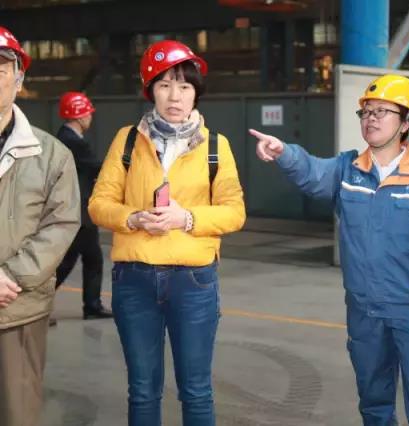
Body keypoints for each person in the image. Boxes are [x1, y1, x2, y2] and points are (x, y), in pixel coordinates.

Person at [251, 74, 409, 426]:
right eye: (366, 112)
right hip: (364, 310)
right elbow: (313, 173)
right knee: (374, 403)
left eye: (382, 111)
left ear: (407, 121)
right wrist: (285, 153)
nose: (371, 119)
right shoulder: (348, 169)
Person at [88, 40, 246, 425]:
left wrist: (185, 219)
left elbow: (234, 212)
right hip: (134, 279)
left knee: (196, 390)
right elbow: (98, 204)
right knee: (143, 389)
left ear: (196, 93)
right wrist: (134, 218)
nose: (175, 96)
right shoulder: (128, 140)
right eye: (164, 85)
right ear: (150, 90)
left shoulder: (216, 147)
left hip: (193, 282)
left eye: (184, 86)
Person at [0, 26, 81, 426]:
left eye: (1, 69)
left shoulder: (52, 155)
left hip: (17, 307)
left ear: (19, 80)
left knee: (17, 412)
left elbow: (61, 224)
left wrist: (10, 276)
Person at [55, 91, 112, 321]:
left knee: (83, 258)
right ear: (80, 116)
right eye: (88, 113)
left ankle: (91, 305)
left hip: (73, 210)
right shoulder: (74, 143)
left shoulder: (64, 138)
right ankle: (90, 306)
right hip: (78, 212)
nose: (90, 117)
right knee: (74, 260)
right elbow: (97, 167)